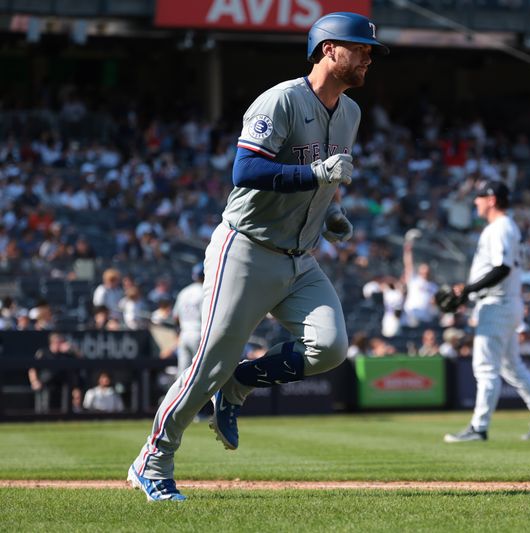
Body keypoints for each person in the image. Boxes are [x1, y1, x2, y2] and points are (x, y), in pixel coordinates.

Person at [128, 12, 389, 502]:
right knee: (208, 361)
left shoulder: (350, 113)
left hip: (299, 258)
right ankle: (152, 459)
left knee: (329, 348)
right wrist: (316, 178)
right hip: (245, 249)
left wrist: (332, 209)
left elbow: (322, 179)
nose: (369, 57)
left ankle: (241, 382)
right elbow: (245, 169)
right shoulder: (282, 99)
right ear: (328, 49)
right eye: (361, 48)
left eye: (371, 50)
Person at [443, 180, 530, 443]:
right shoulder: (505, 227)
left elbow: (501, 268)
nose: (476, 202)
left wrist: (467, 290)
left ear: (492, 199)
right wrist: (470, 292)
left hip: (497, 303)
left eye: (480, 197)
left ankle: (479, 427)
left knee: (485, 368)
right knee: (511, 366)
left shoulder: (500, 227)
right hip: (504, 302)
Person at [172, 263, 205, 374]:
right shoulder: (205, 291)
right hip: (198, 334)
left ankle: (179, 392)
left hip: (184, 334)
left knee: (182, 373)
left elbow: (175, 317)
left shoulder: (184, 292)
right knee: (200, 371)